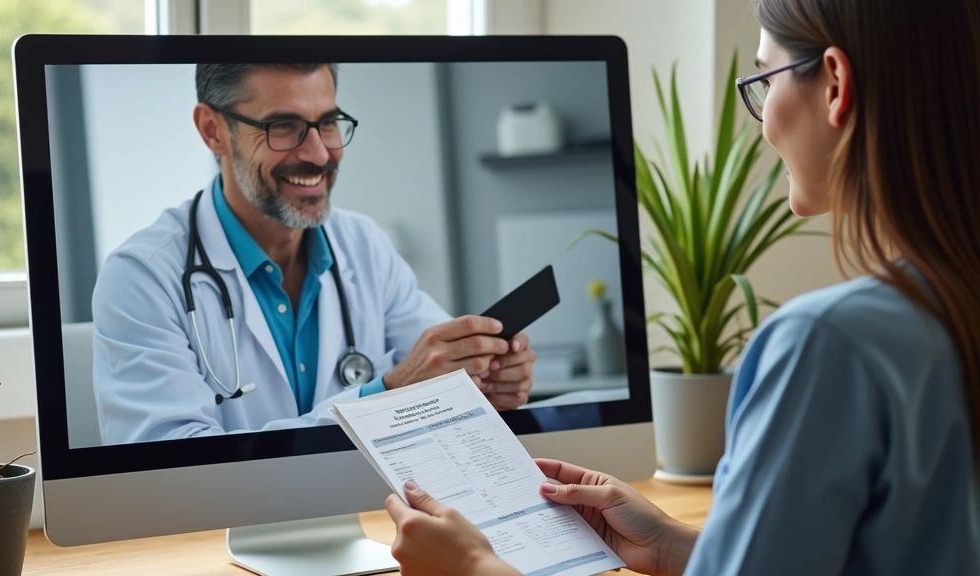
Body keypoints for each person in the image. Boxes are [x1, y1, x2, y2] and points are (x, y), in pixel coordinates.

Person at [383, 0, 980, 574]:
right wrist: (679, 548)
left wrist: (473, 568)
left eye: (765, 79)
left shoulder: (830, 344)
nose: (764, 119)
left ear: (833, 85)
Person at [91, 63, 536, 445]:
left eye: (327, 122)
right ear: (214, 131)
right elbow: (167, 469)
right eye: (283, 126)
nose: (319, 153)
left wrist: (483, 381)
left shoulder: (364, 244)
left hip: (368, 519)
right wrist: (386, 395)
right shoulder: (143, 277)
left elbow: (437, 374)